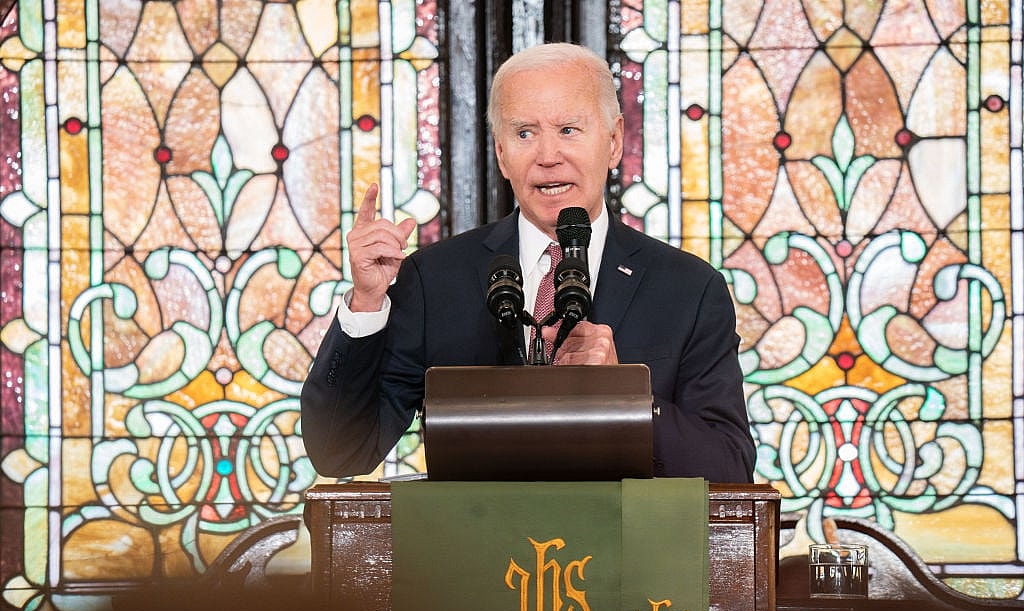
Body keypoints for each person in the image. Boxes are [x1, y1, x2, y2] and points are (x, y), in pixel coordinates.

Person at [300, 42, 755, 482]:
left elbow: (730, 467)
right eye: (524, 134)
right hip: (481, 555)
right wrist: (366, 303)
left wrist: (628, 397)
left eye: (568, 130)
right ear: (501, 153)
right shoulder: (434, 279)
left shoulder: (689, 289)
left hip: (630, 551)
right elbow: (341, 453)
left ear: (614, 141)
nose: (548, 157)